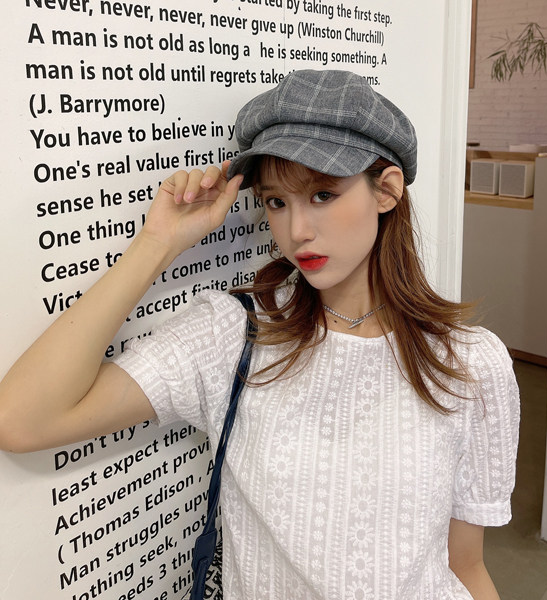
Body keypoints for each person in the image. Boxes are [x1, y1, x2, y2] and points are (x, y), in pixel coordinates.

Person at [0, 70, 519, 599]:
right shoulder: (234, 335)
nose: (297, 231)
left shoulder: (471, 363)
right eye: (276, 201)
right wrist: (157, 242)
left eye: (322, 194)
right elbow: (22, 420)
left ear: (385, 190)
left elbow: (466, 567)